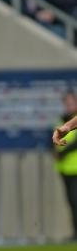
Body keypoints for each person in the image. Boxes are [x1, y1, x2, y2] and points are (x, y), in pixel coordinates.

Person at [52, 91, 77, 239]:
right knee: (71, 202)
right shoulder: (60, 120)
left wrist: (63, 152)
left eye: (71, 102)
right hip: (65, 168)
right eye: (66, 103)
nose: (68, 106)